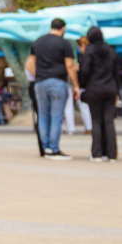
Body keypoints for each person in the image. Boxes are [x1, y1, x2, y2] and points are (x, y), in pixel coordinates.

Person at [26, 18, 79, 160]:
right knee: (56, 116)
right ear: (63, 29)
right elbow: (69, 65)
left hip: (40, 83)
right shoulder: (64, 43)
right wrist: (76, 85)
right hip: (58, 81)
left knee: (42, 115)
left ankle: (46, 148)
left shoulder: (38, 42)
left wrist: (38, 75)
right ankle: (54, 149)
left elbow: (30, 63)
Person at [77, 27, 119, 161]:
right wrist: (116, 90)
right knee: (109, 121)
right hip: (110, 89)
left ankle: (97, 153)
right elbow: (116, 73)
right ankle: (111, 154)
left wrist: (82, 85)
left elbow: (85, 71)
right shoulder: (111, 51)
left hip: (94, 89)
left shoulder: (89, 51)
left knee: (96, 121)